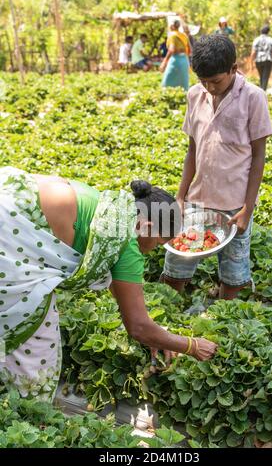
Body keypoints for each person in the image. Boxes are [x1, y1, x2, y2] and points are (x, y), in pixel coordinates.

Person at [0, 167, 217, 401]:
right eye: (156, 243)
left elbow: (122, 294)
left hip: (10, 194)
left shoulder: (110, 207)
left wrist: (159, 336)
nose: (151, 250)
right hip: (7, 237)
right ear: (150, 227)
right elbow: (138, 327)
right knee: (37, 347)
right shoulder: (127, 242)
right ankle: (26, 412)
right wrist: (192, 346)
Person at [160, 35, 272, 299]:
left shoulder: (253, 98)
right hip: (197, 200)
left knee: (233, 271)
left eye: (216, 81)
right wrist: (180, 196)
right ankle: (171, 310)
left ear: (234, 69)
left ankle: (225, 309)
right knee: (178, 263)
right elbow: (192, 150)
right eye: (203, 81)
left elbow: (258, 157)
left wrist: (248, 208)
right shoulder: (194, 95)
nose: (209, 88)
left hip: (235, 204)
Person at [160, 20, 190, 91]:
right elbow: (189, 49)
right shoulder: (184, 35)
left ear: (172, 26)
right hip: (184, 60)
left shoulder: (172, 35)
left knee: (166, 83)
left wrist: (164, 62)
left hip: (175, 60)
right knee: (183, 83)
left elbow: (171, 49)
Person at [251, 25, 272, 91]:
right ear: (268, 32)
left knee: (261, 76)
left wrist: (251, 61)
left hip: (258, 60)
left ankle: (261, 91)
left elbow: (253, 52)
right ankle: (263, 92)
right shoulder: (271, 40)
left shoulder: (256, 39)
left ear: (261, 31)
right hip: (268, 60)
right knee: (265, 77)